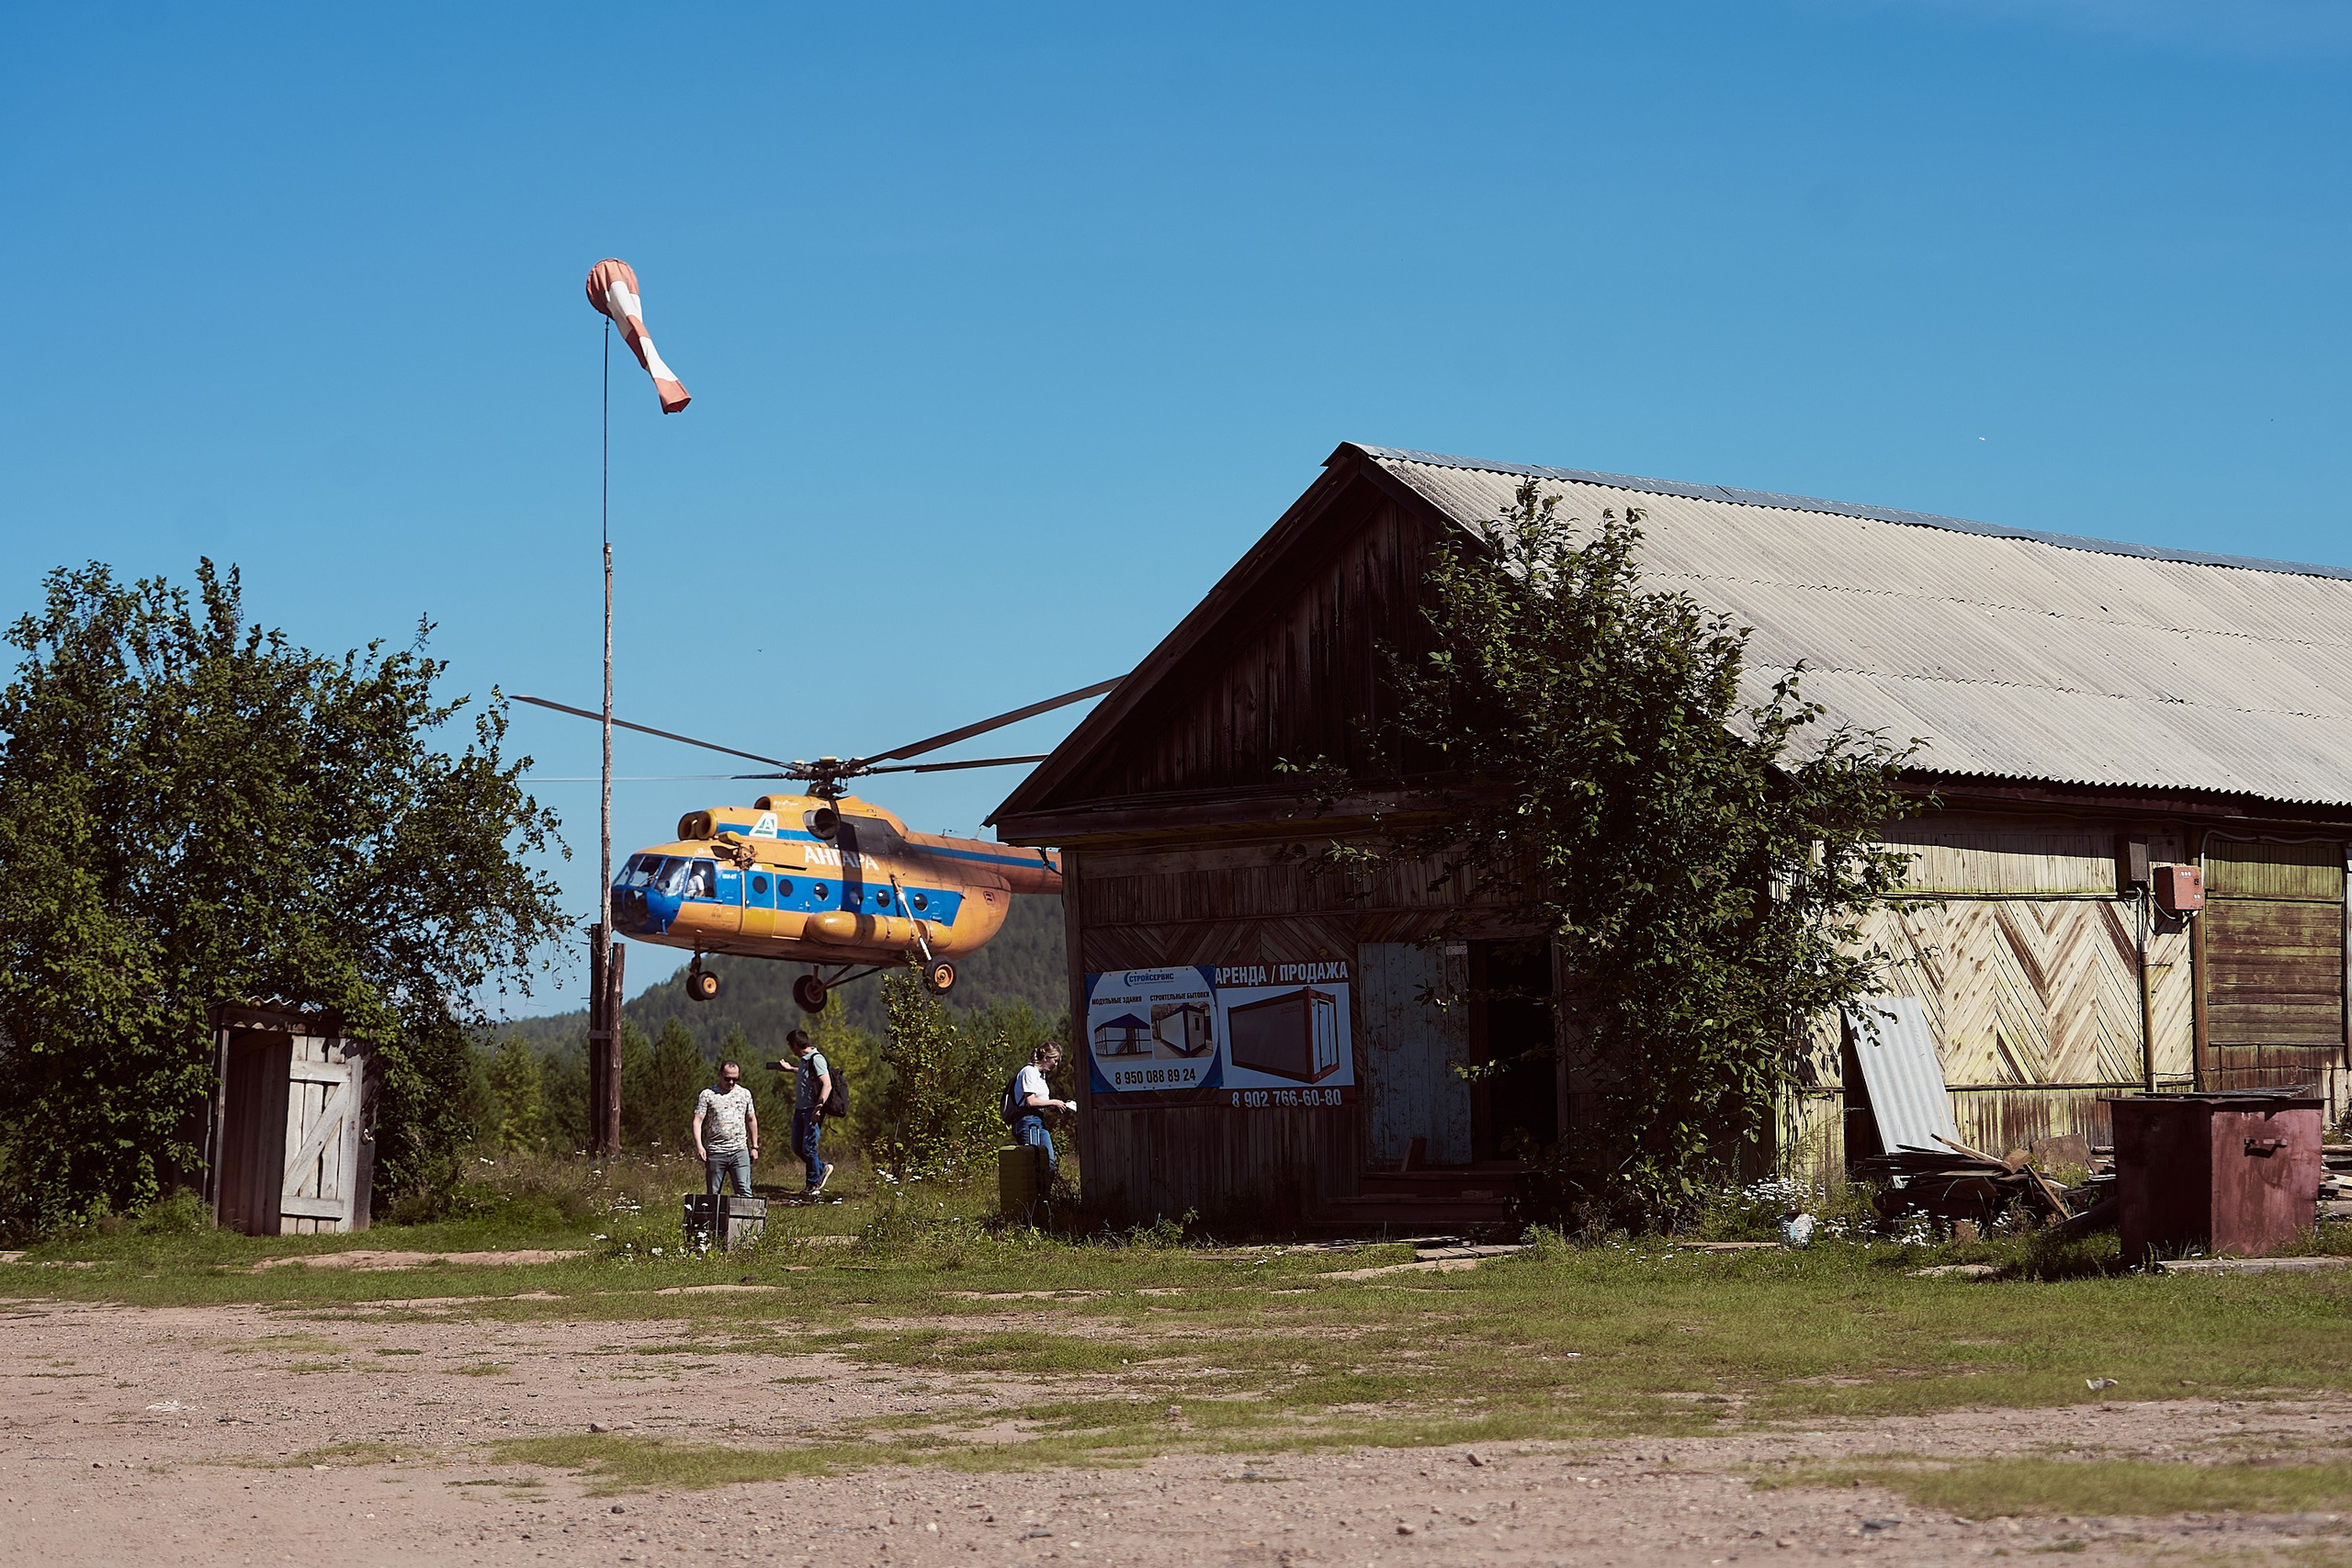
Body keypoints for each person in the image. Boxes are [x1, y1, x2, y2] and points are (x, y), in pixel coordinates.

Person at [1008, 1042, 1076, 1178]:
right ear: (1046, 1058)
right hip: (1027, 1121)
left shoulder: (1040, 1075)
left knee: (1048, 1164)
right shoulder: (1029, 1072)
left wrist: (1054, 1106)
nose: (1055, 1064)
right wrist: (1054, 1102)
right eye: (1055, 1060)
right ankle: (1033, 1197)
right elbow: (1030, 1101)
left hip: (1037, 1120)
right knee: (1035, 1165)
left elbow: (1039, 1102)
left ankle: (1043, 1197)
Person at [692, 1060, 758, 1197]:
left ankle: (748, 1218)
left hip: (739, 1150)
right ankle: (712, 1218)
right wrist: (699, 1146)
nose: (731, 1082)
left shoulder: (745, 1094)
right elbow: (698, 1120)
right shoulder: (707, 1095)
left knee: (744, 1190)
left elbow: (751, 1119)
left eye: (735, 1079)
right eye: (727, 1079)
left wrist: (754, 1146)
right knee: (713, 1194)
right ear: (720, 1074)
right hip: (716, 1151)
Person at [787, 1028, 834, 1195]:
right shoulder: (804, 1060)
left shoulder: (816, 1058)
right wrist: (790, 1069)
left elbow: (827, 1084)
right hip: (800, 1109)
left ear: (795, 1045)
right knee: (797, 1147)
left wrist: (818, 1108)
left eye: (790, 1045)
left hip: (811, 1110)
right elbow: (807, 1075)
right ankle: (822, 1168)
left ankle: (813, 1185)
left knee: (809, 1147)